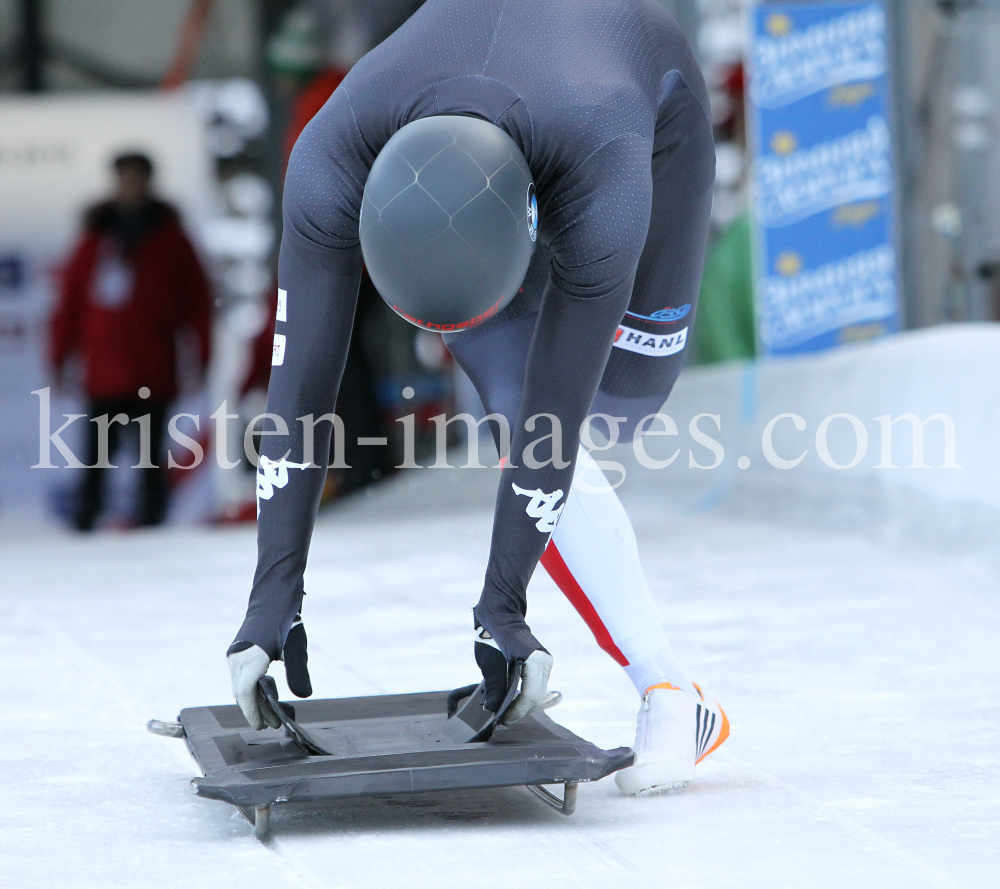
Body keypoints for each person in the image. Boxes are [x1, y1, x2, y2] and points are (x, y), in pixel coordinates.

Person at [228, 0, 729, 795]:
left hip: (643, 110)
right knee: (508, 379)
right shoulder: (328, 158)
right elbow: (296, 400)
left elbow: (551, 436)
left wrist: (504, 606)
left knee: (621, 403)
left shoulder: (606, 175)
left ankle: (666, 682)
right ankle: (670, 689)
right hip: (512, 117)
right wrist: (270, 599)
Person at [49, 152, 212, 531]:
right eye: (125, 178)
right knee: (97, 455)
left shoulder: (172, 240)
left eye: (137, 178)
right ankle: (87, 520)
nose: (131, 186)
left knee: (150, 455)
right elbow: (70, 303)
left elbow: (197, 305)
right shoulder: (94, 239)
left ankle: (152, 521)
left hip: (152, 369)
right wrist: (59, 357)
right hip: (104, 370)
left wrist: (201, 359)